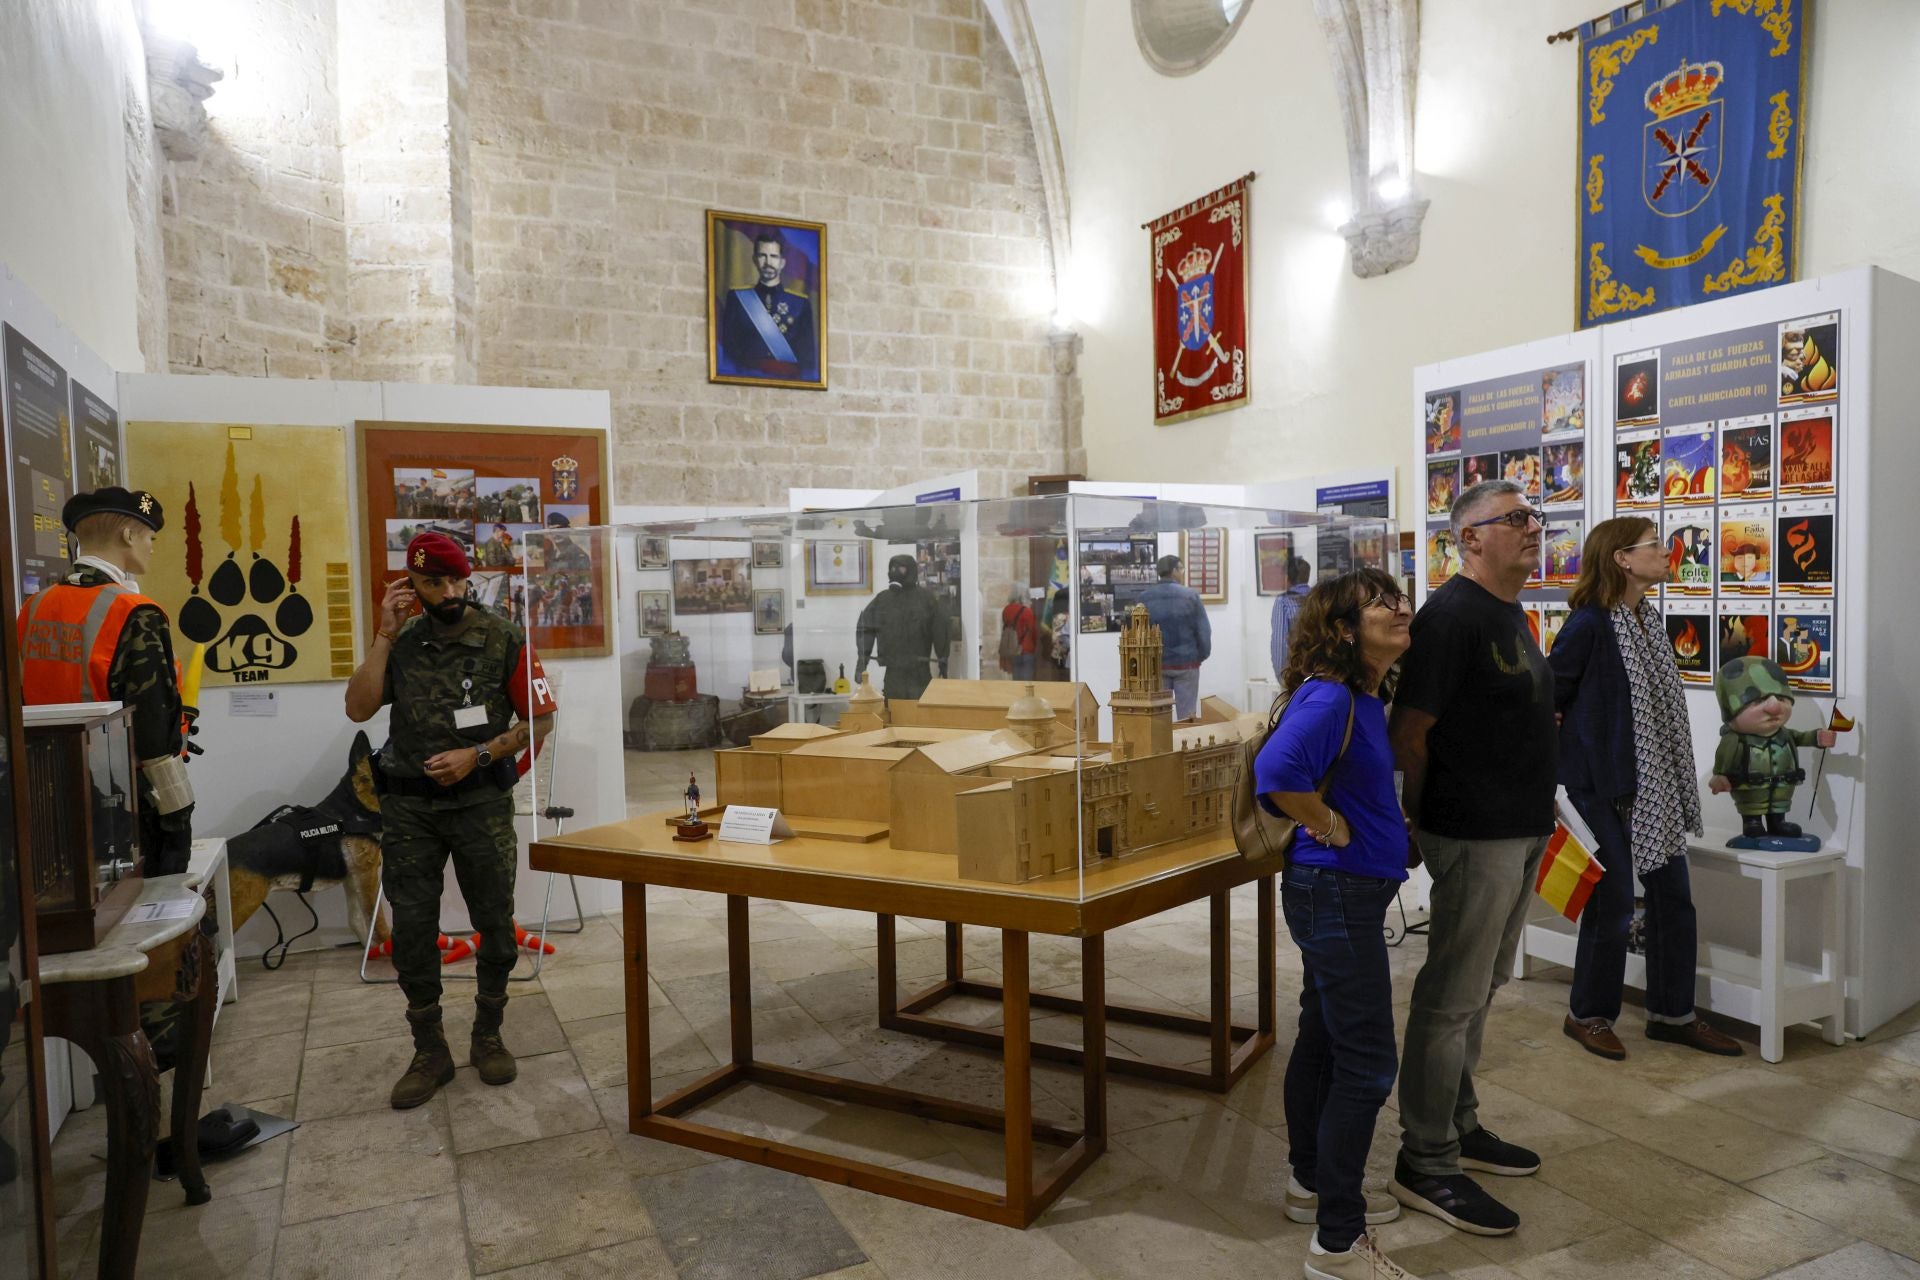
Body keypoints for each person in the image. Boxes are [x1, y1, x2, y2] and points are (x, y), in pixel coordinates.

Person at [1387, 479, 1557, 1237]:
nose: (1532, 527)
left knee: (1482, 988)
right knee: (1451, 996)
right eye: (1514, 519)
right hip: (1474, 831)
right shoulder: (1451, 617)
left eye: (1533, 516)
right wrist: (1418, 817)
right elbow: (1411, 731)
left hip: (1520, 829)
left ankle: (1458, 1124)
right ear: (1471, 539)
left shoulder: (1510, 613)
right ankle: (1425, 1159)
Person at [345, 531, 558, 1110]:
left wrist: (479, 755)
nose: (449, 592)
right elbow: (358, 707)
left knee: (494, 919)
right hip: (410, 809)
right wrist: (383, 635)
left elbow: (540, 723)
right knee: (412, 927)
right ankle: (429, 1049)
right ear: (410, 586)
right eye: (434, 582)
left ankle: (488, 1032)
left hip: (481, 806)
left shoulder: (504, 638)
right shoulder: (403, 641)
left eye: (457, 579)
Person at [1255, 568, 1417, 1280]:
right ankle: (1337, 1242)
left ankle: (1311, 1183)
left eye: (1399, 597)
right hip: (1335, 893)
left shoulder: (1362, 697)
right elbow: (1276, 770)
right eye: (1381, 603)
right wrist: (1327, 824)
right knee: (1369, 1061)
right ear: (1345, 629)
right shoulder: (1330, 697)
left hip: (1347, 893)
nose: (1401, 608)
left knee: (1324, 1035)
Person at [1551, 517, 1744, 1061]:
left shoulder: (1648, 619)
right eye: (1655, 546)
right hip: (1599, 786)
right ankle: (1587, 1015)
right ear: (1622, 559)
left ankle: (1672, 1014)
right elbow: (1549, 697)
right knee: (1612, 906)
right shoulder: (1589, 624)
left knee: (1674, 901)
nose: (1667, 553)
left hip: (1653, 783)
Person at [17, 488, 195, 875]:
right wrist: (177, 816)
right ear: (128, 536)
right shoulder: (136, 613)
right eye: (150, 537)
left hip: (46, 792)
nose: (151, 547)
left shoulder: (33, 608)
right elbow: (152, 733)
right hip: (121, 799)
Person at [718, 231, 819, 382]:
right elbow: (729, 353)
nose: (768, 262)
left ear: (782, 262)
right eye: (762, 256)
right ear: (754, 260)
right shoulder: (737, 299)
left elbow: (808, 360)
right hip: (746, 380)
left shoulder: (800, 304)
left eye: (773, 256)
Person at [855, 554, 949, 701]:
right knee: (894, 711)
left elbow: (940, 630)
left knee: (919, 713)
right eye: (892, 568)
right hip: (894, 671)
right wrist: (862, 661)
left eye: (901, 568)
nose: (895, 572)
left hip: (919, 672)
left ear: (911, 570)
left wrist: (943, 658)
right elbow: (866, 628)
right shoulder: (883, 600)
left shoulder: (925, 599)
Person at [1139, 554, 1210, 719]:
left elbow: (1138, 631)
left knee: (1158, 717)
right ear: (1174, 571)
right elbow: (1203, 631)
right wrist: (1200, 655)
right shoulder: (1191, 596)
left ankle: (1161, 745)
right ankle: (1183, 744)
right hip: (1187, 663)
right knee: (1186, 717)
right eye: (1181, 569)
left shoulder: (1144, 598)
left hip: (1156, 665)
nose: (1182, 573)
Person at [1269, 554, 1313, 682]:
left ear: (1287, 578)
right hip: (1321, 672)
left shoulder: (1283, 601)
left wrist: (1282, 677)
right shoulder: (1319, 599)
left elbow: (1280, 643)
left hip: (1295, 673)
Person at [999, 588, 1037, 680]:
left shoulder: (1006, 610)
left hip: (1013, 650)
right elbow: (1033, 631)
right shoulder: (1027, 611)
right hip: (1026, 650)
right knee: (1027, 682)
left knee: (1016, 680)